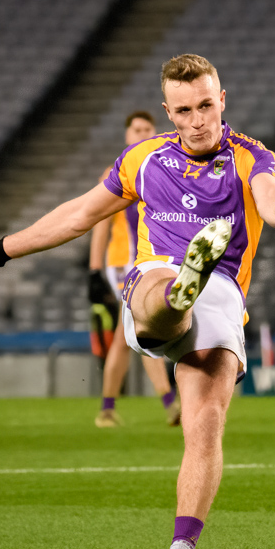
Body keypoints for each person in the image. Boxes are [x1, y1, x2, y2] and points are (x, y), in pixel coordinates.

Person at [0, 54, 275, 549]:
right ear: (169, 111)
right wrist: (4, 248)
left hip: (222, 290)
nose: (198, 119)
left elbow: (268, 189)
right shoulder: (144, 159)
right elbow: (79, 214)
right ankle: (180, 294)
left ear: (222, 100)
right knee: (159, 297)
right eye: (184, 110)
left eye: (207, 105)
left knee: (205, 423)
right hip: (156, 273)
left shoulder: (251, 156)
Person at [88, 110, 179, 428]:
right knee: (145, 328)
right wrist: (94, 270)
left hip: (144, 263)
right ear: (127, 135)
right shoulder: (116, 172)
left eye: (147, 129)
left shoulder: (163, 171)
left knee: (124, 340)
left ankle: (107, 409)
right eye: (136, 129)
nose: (141, 134)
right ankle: (170, 402)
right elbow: (98, 223)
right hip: (121, 265)